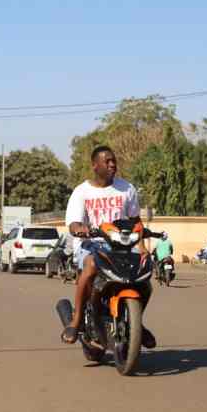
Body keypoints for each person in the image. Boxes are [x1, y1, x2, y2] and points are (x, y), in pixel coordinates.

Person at [61, 145, 155, 349]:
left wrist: (142, 246)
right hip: (92, 243)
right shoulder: (82, 192)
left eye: (114, 160)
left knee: (145, 277)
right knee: (91, 266)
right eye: (107, 161)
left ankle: (136, 322)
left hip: (122, 245)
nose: (112, 164)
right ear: (95, 166)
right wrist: (80, 229)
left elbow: (135, 221)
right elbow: (73, 223)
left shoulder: (127, 188)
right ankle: (76, 321)